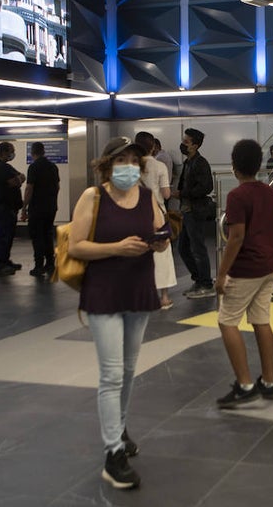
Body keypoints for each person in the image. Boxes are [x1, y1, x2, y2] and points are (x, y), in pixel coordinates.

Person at [67, 137, 169, 490]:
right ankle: (113, 453)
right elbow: (76, 245)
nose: (128, 165)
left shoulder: (146, 196)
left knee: (127, 370)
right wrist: (117, 248)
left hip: (138, 290)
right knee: (111, 373)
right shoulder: (92, 197)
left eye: (133, 160)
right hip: (103, 292)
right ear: (107, 164)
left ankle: (120, 429)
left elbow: (161, 231)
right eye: (121, 159)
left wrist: (161, 240)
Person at [215, 139, 273, 408]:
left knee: (227, 321)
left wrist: (222, 274)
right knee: (261, 319)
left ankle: (245, 385)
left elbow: (236, 237)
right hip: (269, 265)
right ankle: (269, 382)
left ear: (234, 166)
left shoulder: (236, 196)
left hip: (246, 270)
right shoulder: (268, 191)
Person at [135, 131, 175, 309]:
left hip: (135, 212)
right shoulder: (160, 166)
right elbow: (166, 194)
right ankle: (164, 297)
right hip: (157, 213)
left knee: (138, 251)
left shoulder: (133, 166)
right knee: (162, 254)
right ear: (153, 146)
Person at [174, 127, 215, 298]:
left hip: (195, 211)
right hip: (186, 210)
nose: (183, 145)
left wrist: (182, 193)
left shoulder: (200, 163)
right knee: (183, 247)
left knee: (197, 247)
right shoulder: (188, 162)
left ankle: (205, 283)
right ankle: (199, 279)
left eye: (186, 142)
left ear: (195, 145)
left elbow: (206, 187)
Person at [21, 142, 60, 278]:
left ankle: (38, 266)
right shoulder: (53, 167)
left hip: (37, 208)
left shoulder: (33, 167)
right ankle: (50, 264)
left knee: (37, 237)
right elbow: (57, 186)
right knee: (48, 235)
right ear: (44, 151)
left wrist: (24, 208)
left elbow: (29, 188)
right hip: (51, 207)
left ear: (33, 153)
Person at [0, 141, 25, 276]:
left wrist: (18, 179)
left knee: (8, 236)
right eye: (11, 151)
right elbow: (15, 180)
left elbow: (21, 176)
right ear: (4, 152)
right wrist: (18, 179)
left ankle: (5, 260)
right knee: (3, 236)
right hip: (2, 207)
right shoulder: (0, 167)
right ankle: (0, 264)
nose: (13, 154)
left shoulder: (5, 166)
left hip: (9, 207)